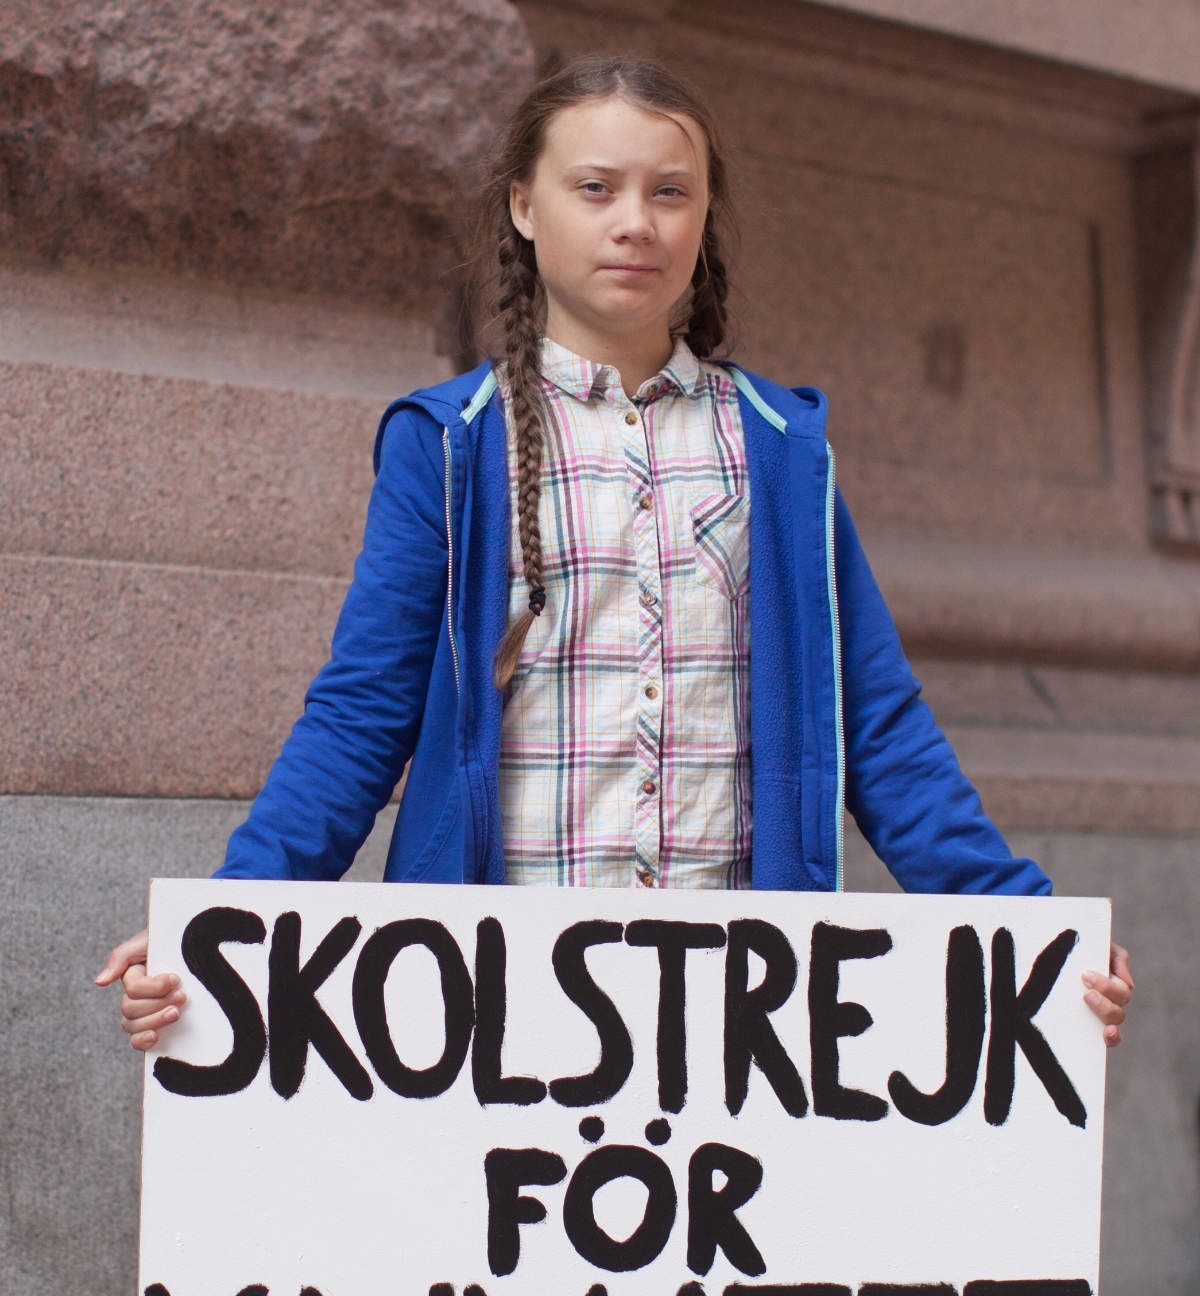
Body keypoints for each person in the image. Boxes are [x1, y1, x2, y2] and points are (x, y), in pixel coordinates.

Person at [96, 55, 1133, 1045]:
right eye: (595, 187)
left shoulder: (776, 451)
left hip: (739, 1003)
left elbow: (881, 729)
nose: (635, 222)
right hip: (492, 997)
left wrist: (1033, 933)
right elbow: (361, 716)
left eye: (671, 192)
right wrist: (221, 929)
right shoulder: (453, 446)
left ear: (702, 216)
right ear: (523, 206)